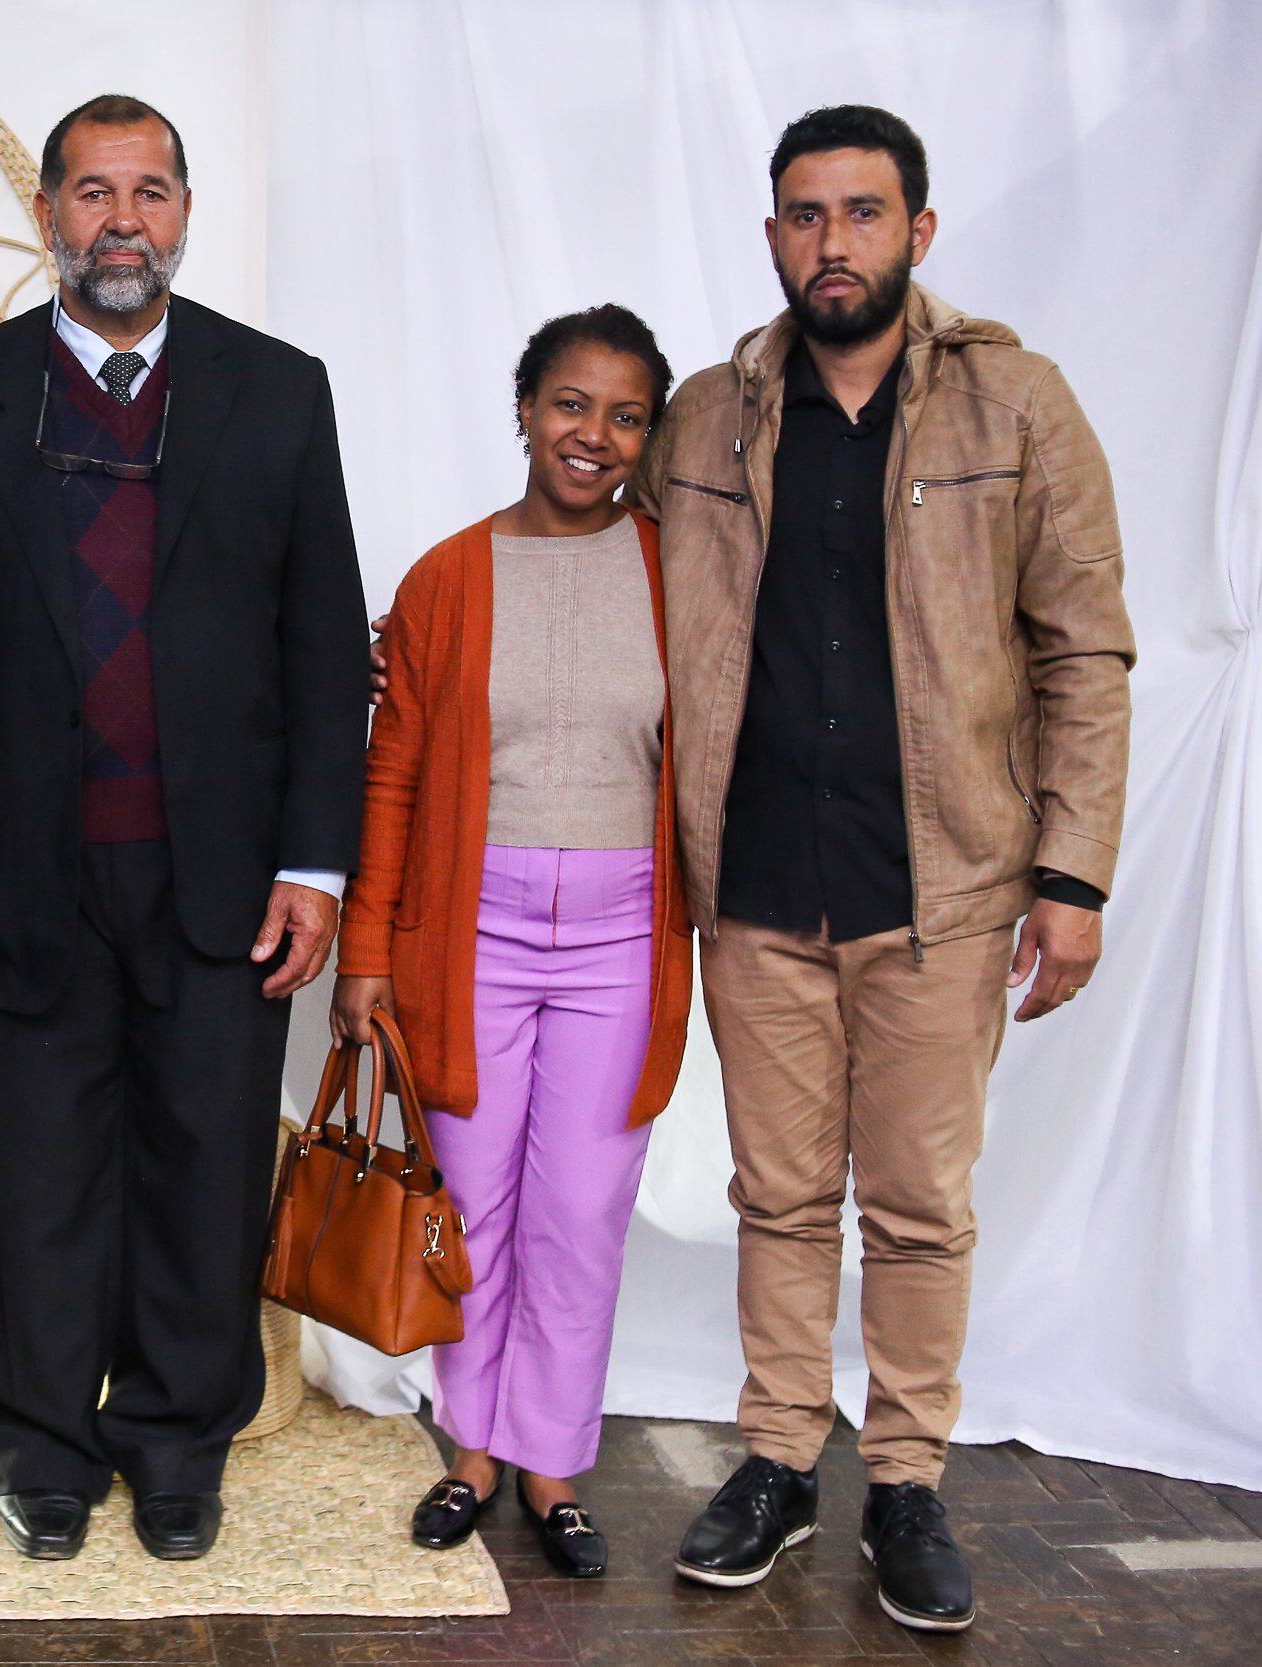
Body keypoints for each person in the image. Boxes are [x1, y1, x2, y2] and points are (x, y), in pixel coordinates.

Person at [629, 106, 1133, 1632]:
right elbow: (609, 571)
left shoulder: (1018, 403)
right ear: (772, 235)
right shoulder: (708, 415)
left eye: (860, 213)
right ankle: (781, 1456)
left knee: (917, 1202)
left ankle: (906, 1477)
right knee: (779, 1193)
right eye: (804, 215)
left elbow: (1085, 648)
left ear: (918, 231)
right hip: (755, 881)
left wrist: (1075, 872)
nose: (829, 243)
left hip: (946, 883)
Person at [0, 94, 369, 1564]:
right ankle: (33, 1439)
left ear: (186, 212)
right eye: (94, 191)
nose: (123, 220)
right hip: (5, 872)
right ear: (46, 216)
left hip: (222, 868)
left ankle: (176, 1439)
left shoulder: (279, 392)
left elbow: (323, 644)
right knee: (24, 1174)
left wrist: (313, 862)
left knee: (204, 1168)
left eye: (150, 190)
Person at [335, 306, 691, 1580]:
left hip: (621, 936)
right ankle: (473, 1450)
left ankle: (552, 1461)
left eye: (625, 415)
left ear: (649, 435)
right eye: (570, 404)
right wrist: (365, 950)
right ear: (526, 408)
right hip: (467, 932)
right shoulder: (445, 577)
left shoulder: (680, 573)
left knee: (581, 1210)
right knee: (473, 1204)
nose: (593, 434)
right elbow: (391, 774)